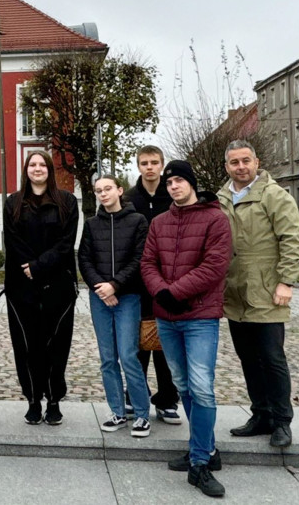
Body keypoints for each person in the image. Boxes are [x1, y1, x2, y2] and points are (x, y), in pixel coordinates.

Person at [141, 160, 231, 498]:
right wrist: (162, 292)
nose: (174, 186)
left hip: (200, 317)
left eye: (179, 180)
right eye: (169, 182)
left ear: (192, 183)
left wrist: (174, 292)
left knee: (202, 387)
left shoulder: (215, 218)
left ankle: (199, 465)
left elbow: (215, 265)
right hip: (167, 317)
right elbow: (148, 262)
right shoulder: (160, 222)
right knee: (183, 386)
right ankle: (205, 449)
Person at [218, 140, 299, 448]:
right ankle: (261, 414)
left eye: (245, 161)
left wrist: (286, 282)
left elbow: (292, 240)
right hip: (234, 293)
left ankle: (282, 421)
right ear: (227, 166)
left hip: (267, 291)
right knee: (247, 359)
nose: (241, 167)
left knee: (271, 357)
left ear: (256, 162)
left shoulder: (274, 195)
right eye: (234, 162)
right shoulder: (221, 199)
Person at [3, 150, 79, 426]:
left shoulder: (67, 201)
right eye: (32, 164)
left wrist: (39, 265)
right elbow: (11, 239)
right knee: (27, 346)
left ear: (49, 169)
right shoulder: (13, 202)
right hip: (21, 287)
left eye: (42, 164)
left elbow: (66, 242)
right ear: (26, 169)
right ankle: (33, 400)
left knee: (56, 346)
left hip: (57, 284)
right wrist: (28, 266)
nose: (37, 169)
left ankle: (54, 400)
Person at [78, 175, 151, 437]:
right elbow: (84, 259)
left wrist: (115, 285)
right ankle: (117, 412)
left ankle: (142, 413)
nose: (103, 194)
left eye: (108, 189)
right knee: (107, 358)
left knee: (129, 356)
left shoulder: (137, 221)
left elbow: (140, 258)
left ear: (119, 190)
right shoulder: (91, 224)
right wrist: (101, 287)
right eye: (98, 190)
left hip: (128, 297)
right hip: (100, 299)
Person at [124, 145, 181, 425]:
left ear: (161, 165)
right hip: (136, 281)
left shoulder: (171, 197)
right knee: (138, 342)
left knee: (165, 341)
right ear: (138, 166)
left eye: (154, 162)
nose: (150, 167)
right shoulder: (129, 199)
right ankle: (137, 393)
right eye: (144, 162)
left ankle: (168, 398)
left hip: (167, 280)